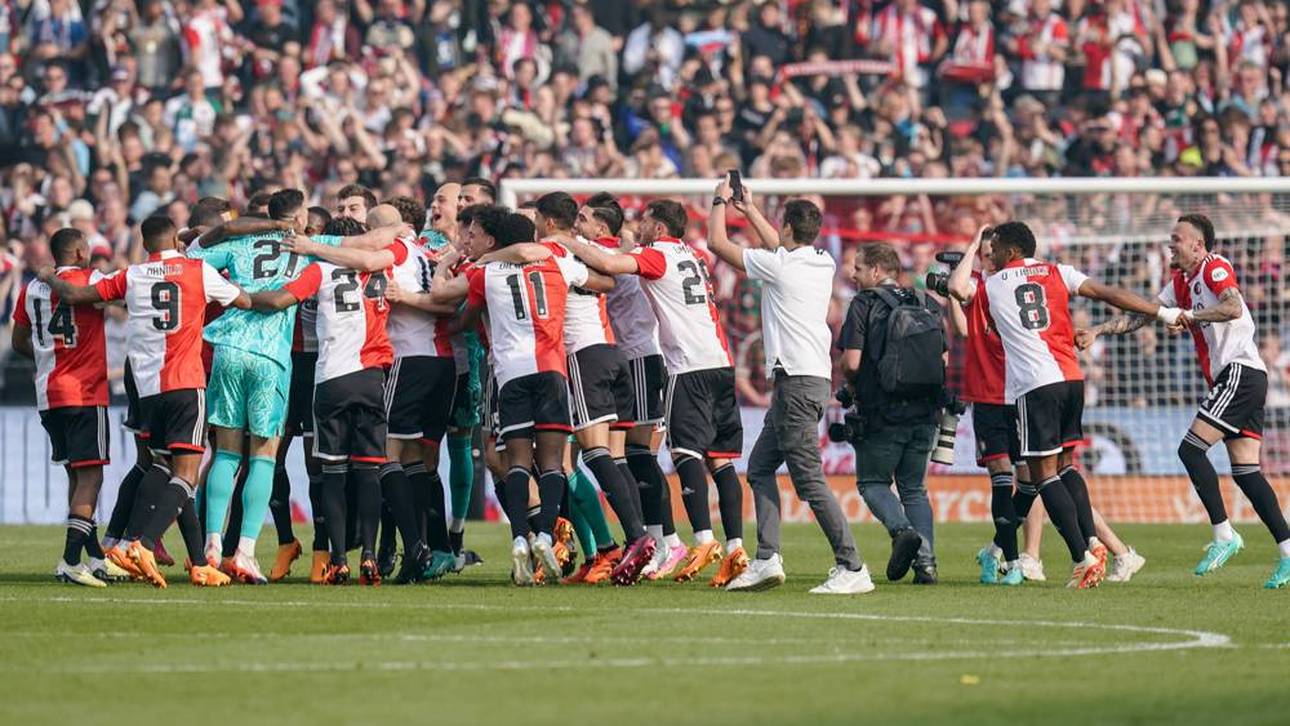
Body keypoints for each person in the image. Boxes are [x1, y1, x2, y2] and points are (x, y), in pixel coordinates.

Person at [948, 221, 1179, 589]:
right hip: (1072, 378)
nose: (988, 259)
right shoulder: (1059, 271)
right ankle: (1093, 545)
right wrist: (1162, 313)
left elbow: (956, 287)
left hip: (1034, 385)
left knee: (1042, 476)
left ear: (1007, 253)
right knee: (1066, 467)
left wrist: (974, 241)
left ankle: (1082, 558)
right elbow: (1108, 293)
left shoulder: (992, 284)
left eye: (993, 252)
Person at [1078, 214, 1290, 589]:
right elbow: (1143, 316)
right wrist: (1098, 330)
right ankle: (1289, 552)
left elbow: (1233, 306)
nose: (1170, 244)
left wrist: (1190, 316)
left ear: (1198, 245)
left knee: (1191, 450)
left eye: (1177, 239)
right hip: (1242, 378)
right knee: (1246, 472)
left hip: (1240, 372)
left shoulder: (1214, 266)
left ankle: (1224, 535)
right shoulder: (1180, 280)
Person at [43, 215, 250, 589]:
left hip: (146, 387)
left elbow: (74, 295)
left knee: (160, 466)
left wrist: (48, 277)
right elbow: (246, 299)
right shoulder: (197, 269)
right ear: (175, 236)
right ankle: (141, 542)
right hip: (187, 381)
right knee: (186, 474)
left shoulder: (133, 274)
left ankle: (194, 560)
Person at [563, 199, 749, 587]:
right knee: (711, 459)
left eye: (647, 221)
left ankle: (674, 541)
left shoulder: (644, 255)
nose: (639, 225)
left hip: (650, 359)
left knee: (651, 454)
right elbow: (625, 246)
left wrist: (563, 239)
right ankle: (725, 546)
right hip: (707, 356)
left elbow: (615, 263)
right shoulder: (692, 254)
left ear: (659, 228)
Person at [479, 191, 656, 585]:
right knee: (603, 457)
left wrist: (488, 257)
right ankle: (609, 547)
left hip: (576, 357)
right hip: (609, 353)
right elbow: (608, 277)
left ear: (546, 221)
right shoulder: (573, 252)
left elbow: (522, 256)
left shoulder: (546, 252)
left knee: (585, 456)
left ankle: (631, 538)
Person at [705, 181, 872, 595]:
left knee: (809, 480)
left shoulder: (779, 265)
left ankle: (852, 566)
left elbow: (715, 242)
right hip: (807, 379)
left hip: (796, 382)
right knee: (760, 468)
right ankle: (767, 558)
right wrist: (751, 210)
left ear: (788, 229)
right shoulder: (822, 260)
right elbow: (782, 247)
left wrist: (719, 202)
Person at [453, 208, 612, 585]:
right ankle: (545, 535)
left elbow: (458, 309)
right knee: (555, 462)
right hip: (551, 370)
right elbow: (606, 282)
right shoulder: (556, 261)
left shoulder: (483, 273)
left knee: (518, 463)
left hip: (510, 375)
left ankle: (521, 539)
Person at [250, 225, 411, 586]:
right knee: (369, 472)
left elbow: (280, 300)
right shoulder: (384, 265)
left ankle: (338, 559)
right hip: (372, 377)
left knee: (333, 475)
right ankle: (369, 554)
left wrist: (240, 297)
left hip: (330, 380)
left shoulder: (318, 269)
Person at [11, 228, 128, 587]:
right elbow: (124, 299)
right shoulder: (93, 280)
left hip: (49, 394)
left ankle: (95, 558)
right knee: (91, 477)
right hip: (85, 392)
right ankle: (70, 559)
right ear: (78, 252)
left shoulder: (31, 288)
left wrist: (50, 358)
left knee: (77, 476)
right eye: (87, 249)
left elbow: (18, 341)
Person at [838, 242, 944, 585]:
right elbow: (941, 361)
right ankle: (926, 565)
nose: (853, 275)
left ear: (876, 271)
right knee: (914, 489)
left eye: (858, 268)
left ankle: (902, 533)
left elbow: (852, 362)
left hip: (882, 413)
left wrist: (848, 379)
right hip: (927, 412)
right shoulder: (926, 301)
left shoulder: (864, 303)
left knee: (872, 483)